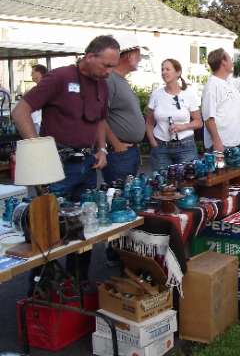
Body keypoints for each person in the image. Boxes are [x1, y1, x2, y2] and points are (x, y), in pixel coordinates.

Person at [12, 34, 119, 284]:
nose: (109, 72)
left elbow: (100, 119)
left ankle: (78, 285)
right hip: (57, 166)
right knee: (48, 231)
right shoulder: (60, 77)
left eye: (113, 66)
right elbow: (20, 111)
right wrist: (38, 150)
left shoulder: (102, 84)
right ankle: (42, 290)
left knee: (84, 228)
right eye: (106, 65)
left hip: (87, 165)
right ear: (89, 56)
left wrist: (102, 149)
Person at [201, 48, 240, 151]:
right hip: (221, 144)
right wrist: (217, 142)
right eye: (230, 59)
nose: (233, 62)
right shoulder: (212, 86)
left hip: (234, 142)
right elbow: (209, 118)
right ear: (223, 62)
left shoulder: (230, 82)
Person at [102, 35, 146, 185]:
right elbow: (99, 117)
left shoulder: (120, 79)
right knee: (119, 194)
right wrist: (116, 144)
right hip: (120, 154)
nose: (140, 59)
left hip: (128, 152)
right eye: (138, 55)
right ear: (129, 55)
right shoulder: (109, 80)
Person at [145, 58, 201, 171]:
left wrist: (183, 127)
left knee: (188, 180)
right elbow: (149, 122)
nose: (164, 72)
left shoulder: (188, 94)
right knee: (162, 181)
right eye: (162, 69)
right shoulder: (156, 95)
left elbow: (198, 122)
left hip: (186, 147)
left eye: (167, 69)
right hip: (161, 148)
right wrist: (153, 142)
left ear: (178, 72)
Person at [30, 64, 47, 133]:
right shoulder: (36, 88)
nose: (31, 75)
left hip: (39, 123)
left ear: (39, 74)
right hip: (35, 122)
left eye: (32, 73)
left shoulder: (44, 88)